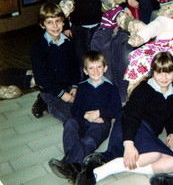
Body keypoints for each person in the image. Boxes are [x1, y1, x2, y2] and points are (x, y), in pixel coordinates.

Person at [75, 52, 173, 185]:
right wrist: (129, 144)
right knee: (153, 155)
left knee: (172, 163)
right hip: (130, 126)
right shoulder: (144, 89)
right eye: (159, 73)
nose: (164, 77)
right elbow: (131, 116)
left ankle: (101, 161)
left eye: (168, 72)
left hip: (148, 134)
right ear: (152, 72)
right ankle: (95, 175)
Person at [48, 51, 121, 184]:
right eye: (91, 68)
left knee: (87, 140)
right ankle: (76, 168)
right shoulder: (82, 87)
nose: (95, 71)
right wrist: (85, 115)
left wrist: (99, 113)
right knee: (70, 123)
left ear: (105, 68)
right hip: (83, 119)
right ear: (85, 71)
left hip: (101, 123)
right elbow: (75, 109)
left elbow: (117, 110)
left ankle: (70, 166)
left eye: (99, 67)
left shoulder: (111, 88)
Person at [30, 1, 80, 123]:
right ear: (42, 25)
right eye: (49, 22)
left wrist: (74, 86)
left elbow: (74, 66)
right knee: (71, 119)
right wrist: (62, 95)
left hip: (67, 85)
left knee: (85, 109)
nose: (55, 26)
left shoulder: (68, 42)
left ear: (63, 22)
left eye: (58, 21)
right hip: (50, 90)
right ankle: (45, 103)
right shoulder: (38, 47)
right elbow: (42, 78)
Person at [90, 0, 133, 102]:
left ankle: (122, 97)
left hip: (113, 32)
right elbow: (112, 10)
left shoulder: (114, 2)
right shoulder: (108, 1)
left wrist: (123, 8)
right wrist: (123, 12)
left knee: (119, 63)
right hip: (103, 35)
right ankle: (107, 98)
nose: (125, 0)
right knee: (105, 67)